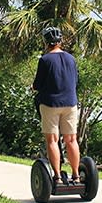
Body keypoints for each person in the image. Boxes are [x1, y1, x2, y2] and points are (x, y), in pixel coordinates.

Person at [32, 26, 80, 186]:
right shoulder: (71, 59)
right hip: (70, 103)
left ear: (46, 42)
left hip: (50, 104)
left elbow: (37, 85)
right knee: (71, 140)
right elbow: (75, 81)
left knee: (52, 139)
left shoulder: (44, 60)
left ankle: (58, 177)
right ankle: (76, 175)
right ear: (60, 41)